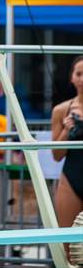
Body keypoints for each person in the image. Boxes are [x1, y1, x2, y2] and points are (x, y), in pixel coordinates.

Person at [51, 55, 83, 261]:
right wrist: (67, 130)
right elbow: (56, 154)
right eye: (79, 74)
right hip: (71, 179)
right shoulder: (61, 110)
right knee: (68, 248)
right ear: (72, 78)